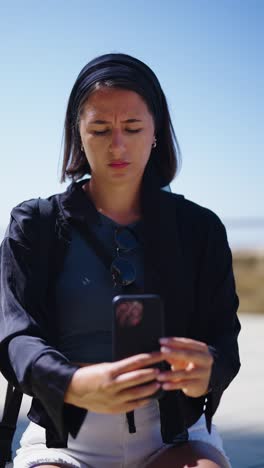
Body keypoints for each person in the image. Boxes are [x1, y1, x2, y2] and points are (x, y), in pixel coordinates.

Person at [0, 53, 240, 468]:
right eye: (99, 128)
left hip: (175, 436)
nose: (117, 145)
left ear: (156, 133)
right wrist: (72, 383)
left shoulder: (200, 229)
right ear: (77, 133)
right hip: (63, 439)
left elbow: (223, 337)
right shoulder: (33, 225)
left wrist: (208, 370)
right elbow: (14, 336)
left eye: (132, 128)